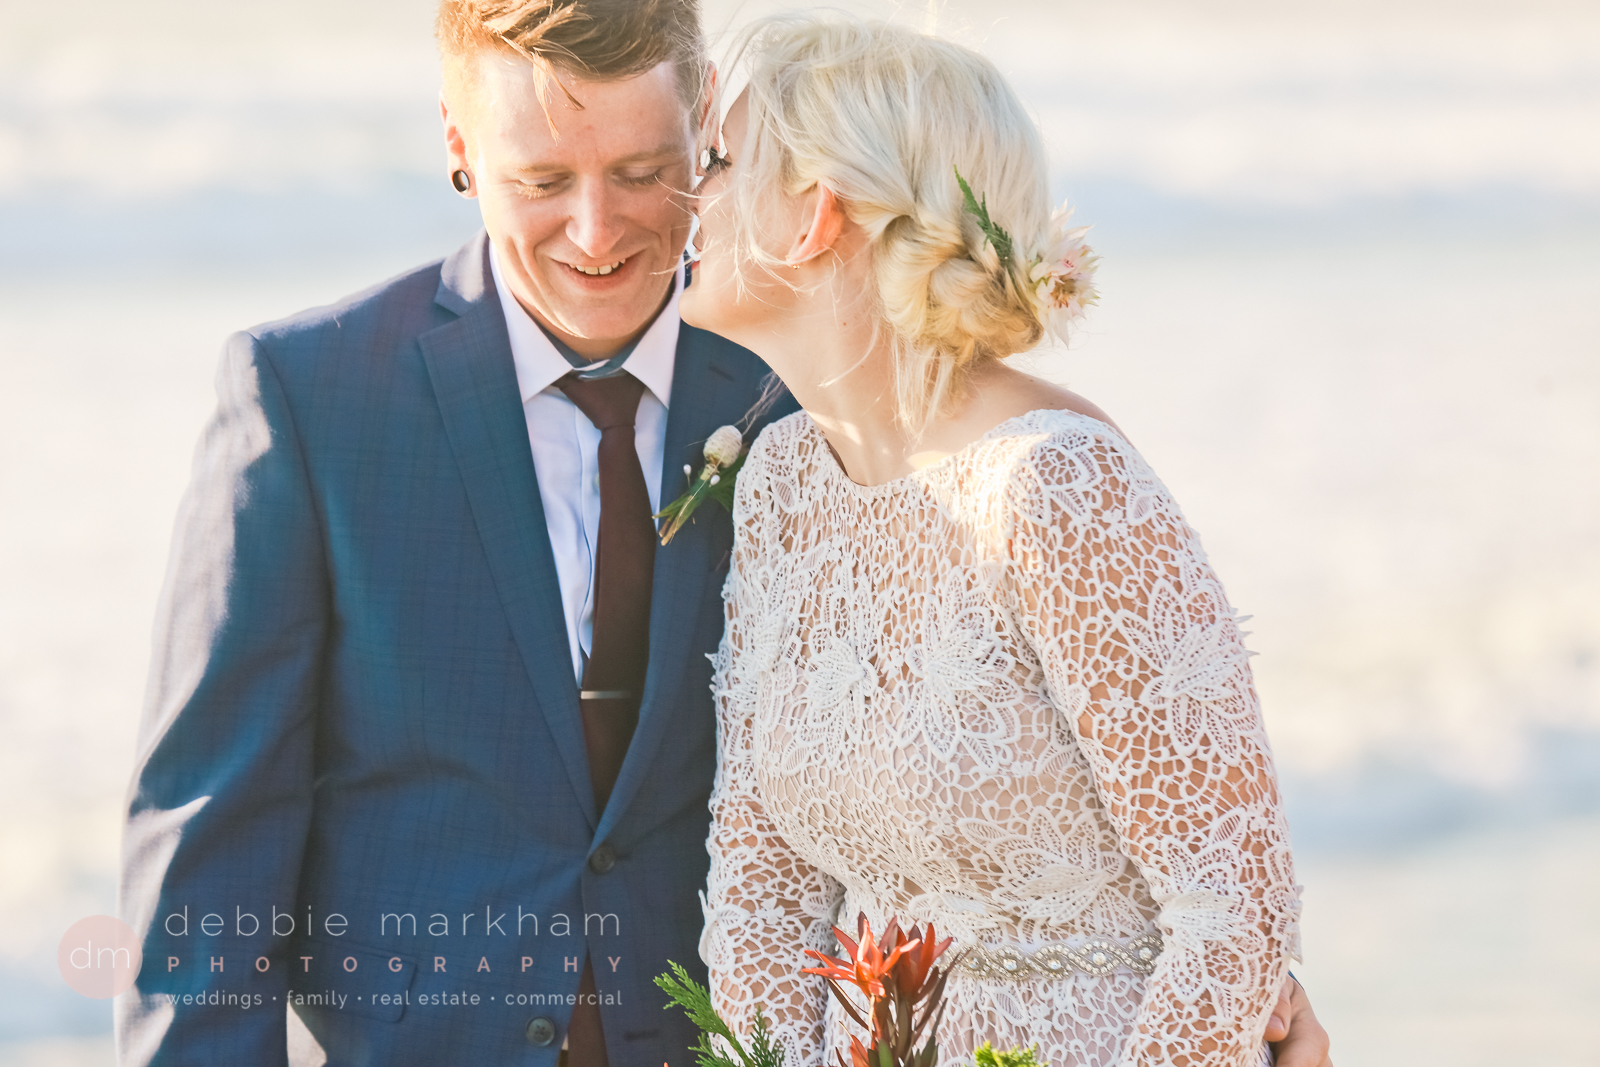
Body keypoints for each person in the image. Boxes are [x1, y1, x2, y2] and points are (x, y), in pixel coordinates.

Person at [116, 2, 796, 1064]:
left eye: (637, 170)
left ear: (702, 122)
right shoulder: (308, 398)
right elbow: (211, 851)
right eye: (541, 181)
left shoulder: (795, 396)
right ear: (457, 147)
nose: (596, 230)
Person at [689, 15, 1318, 1067]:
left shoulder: (1054, 485)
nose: (687, 193)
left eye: (717, 162)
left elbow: (1233, 900)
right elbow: (763, 883)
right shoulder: (783, 483)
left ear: (813, 213)